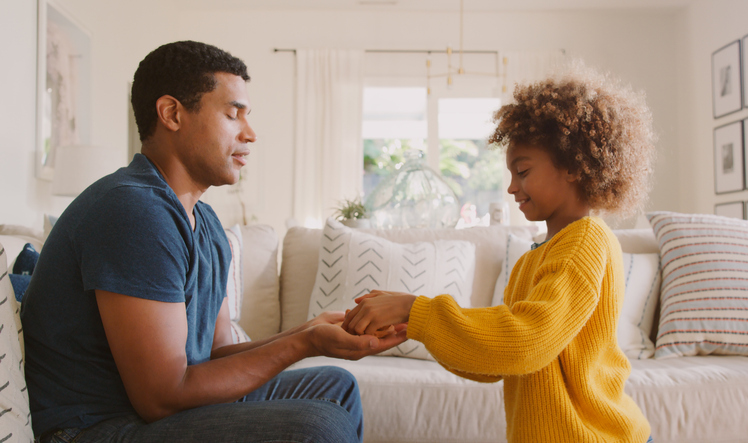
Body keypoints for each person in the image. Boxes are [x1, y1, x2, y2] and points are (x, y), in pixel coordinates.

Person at [21, 40, 407, 443]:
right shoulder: (133, 211)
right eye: (232, 114)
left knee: (336, 387)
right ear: (172, 114)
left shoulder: (203, 221)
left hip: (150, 415)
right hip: (96, 427)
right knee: (318, 425)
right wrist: (305, 344)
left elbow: (215, 355)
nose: (250, 133)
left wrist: (306, 331)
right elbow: (161, 396)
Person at [343, 65, 656, 443]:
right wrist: (418, 328)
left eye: (522, 171)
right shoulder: (532, 259)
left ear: (573, 167)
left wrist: (415, 308)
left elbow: (527, 342)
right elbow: (498, 362)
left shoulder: (585, 240)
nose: (511, 187)